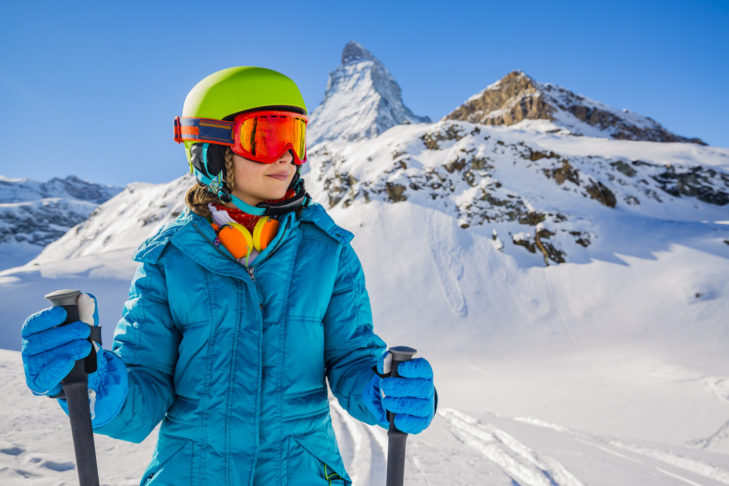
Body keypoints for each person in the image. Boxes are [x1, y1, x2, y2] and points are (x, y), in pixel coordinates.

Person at [20, 66, 436, 485]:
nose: (287, 156)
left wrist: (382, 391)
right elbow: (144, 389)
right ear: (212, 150)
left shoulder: (328, 253)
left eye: (297, 138)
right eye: (268, 136)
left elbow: (352, 358)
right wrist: (90, 382)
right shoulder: (170, 260)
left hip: (303, 472)